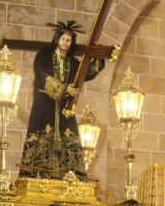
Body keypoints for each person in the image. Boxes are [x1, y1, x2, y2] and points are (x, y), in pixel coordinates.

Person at [19, 20, 105, 177]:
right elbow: (42, 74)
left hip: (65, 108)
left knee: (69, 138)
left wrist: (99, 56)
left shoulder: (73, 62)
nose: (66, 43)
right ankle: (39, 174)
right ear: (57, 39)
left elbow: (87, 72)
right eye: (63, 39)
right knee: (42, 137)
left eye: (69, 40)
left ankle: (68, 176)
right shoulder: (44, 54)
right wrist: (65, 89)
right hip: (45, 104)